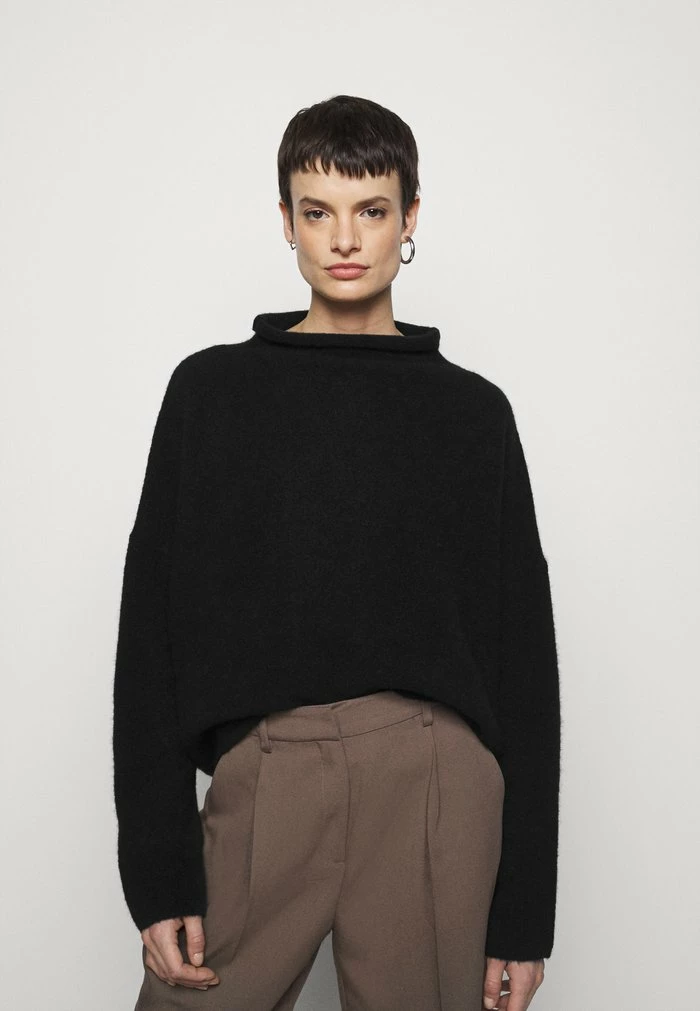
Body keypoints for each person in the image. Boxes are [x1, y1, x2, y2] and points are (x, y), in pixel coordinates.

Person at [113, 94, 561, 1011]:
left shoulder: (473, 416)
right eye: (318, 211)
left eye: (372, 210)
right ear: (286, 221)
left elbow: (524, 664)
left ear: (410, 219)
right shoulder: (211, 394)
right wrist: (157, 870)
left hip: (434, 781)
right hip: (268, 771)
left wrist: (525, 912)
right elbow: (149, 636)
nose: (346, 239)